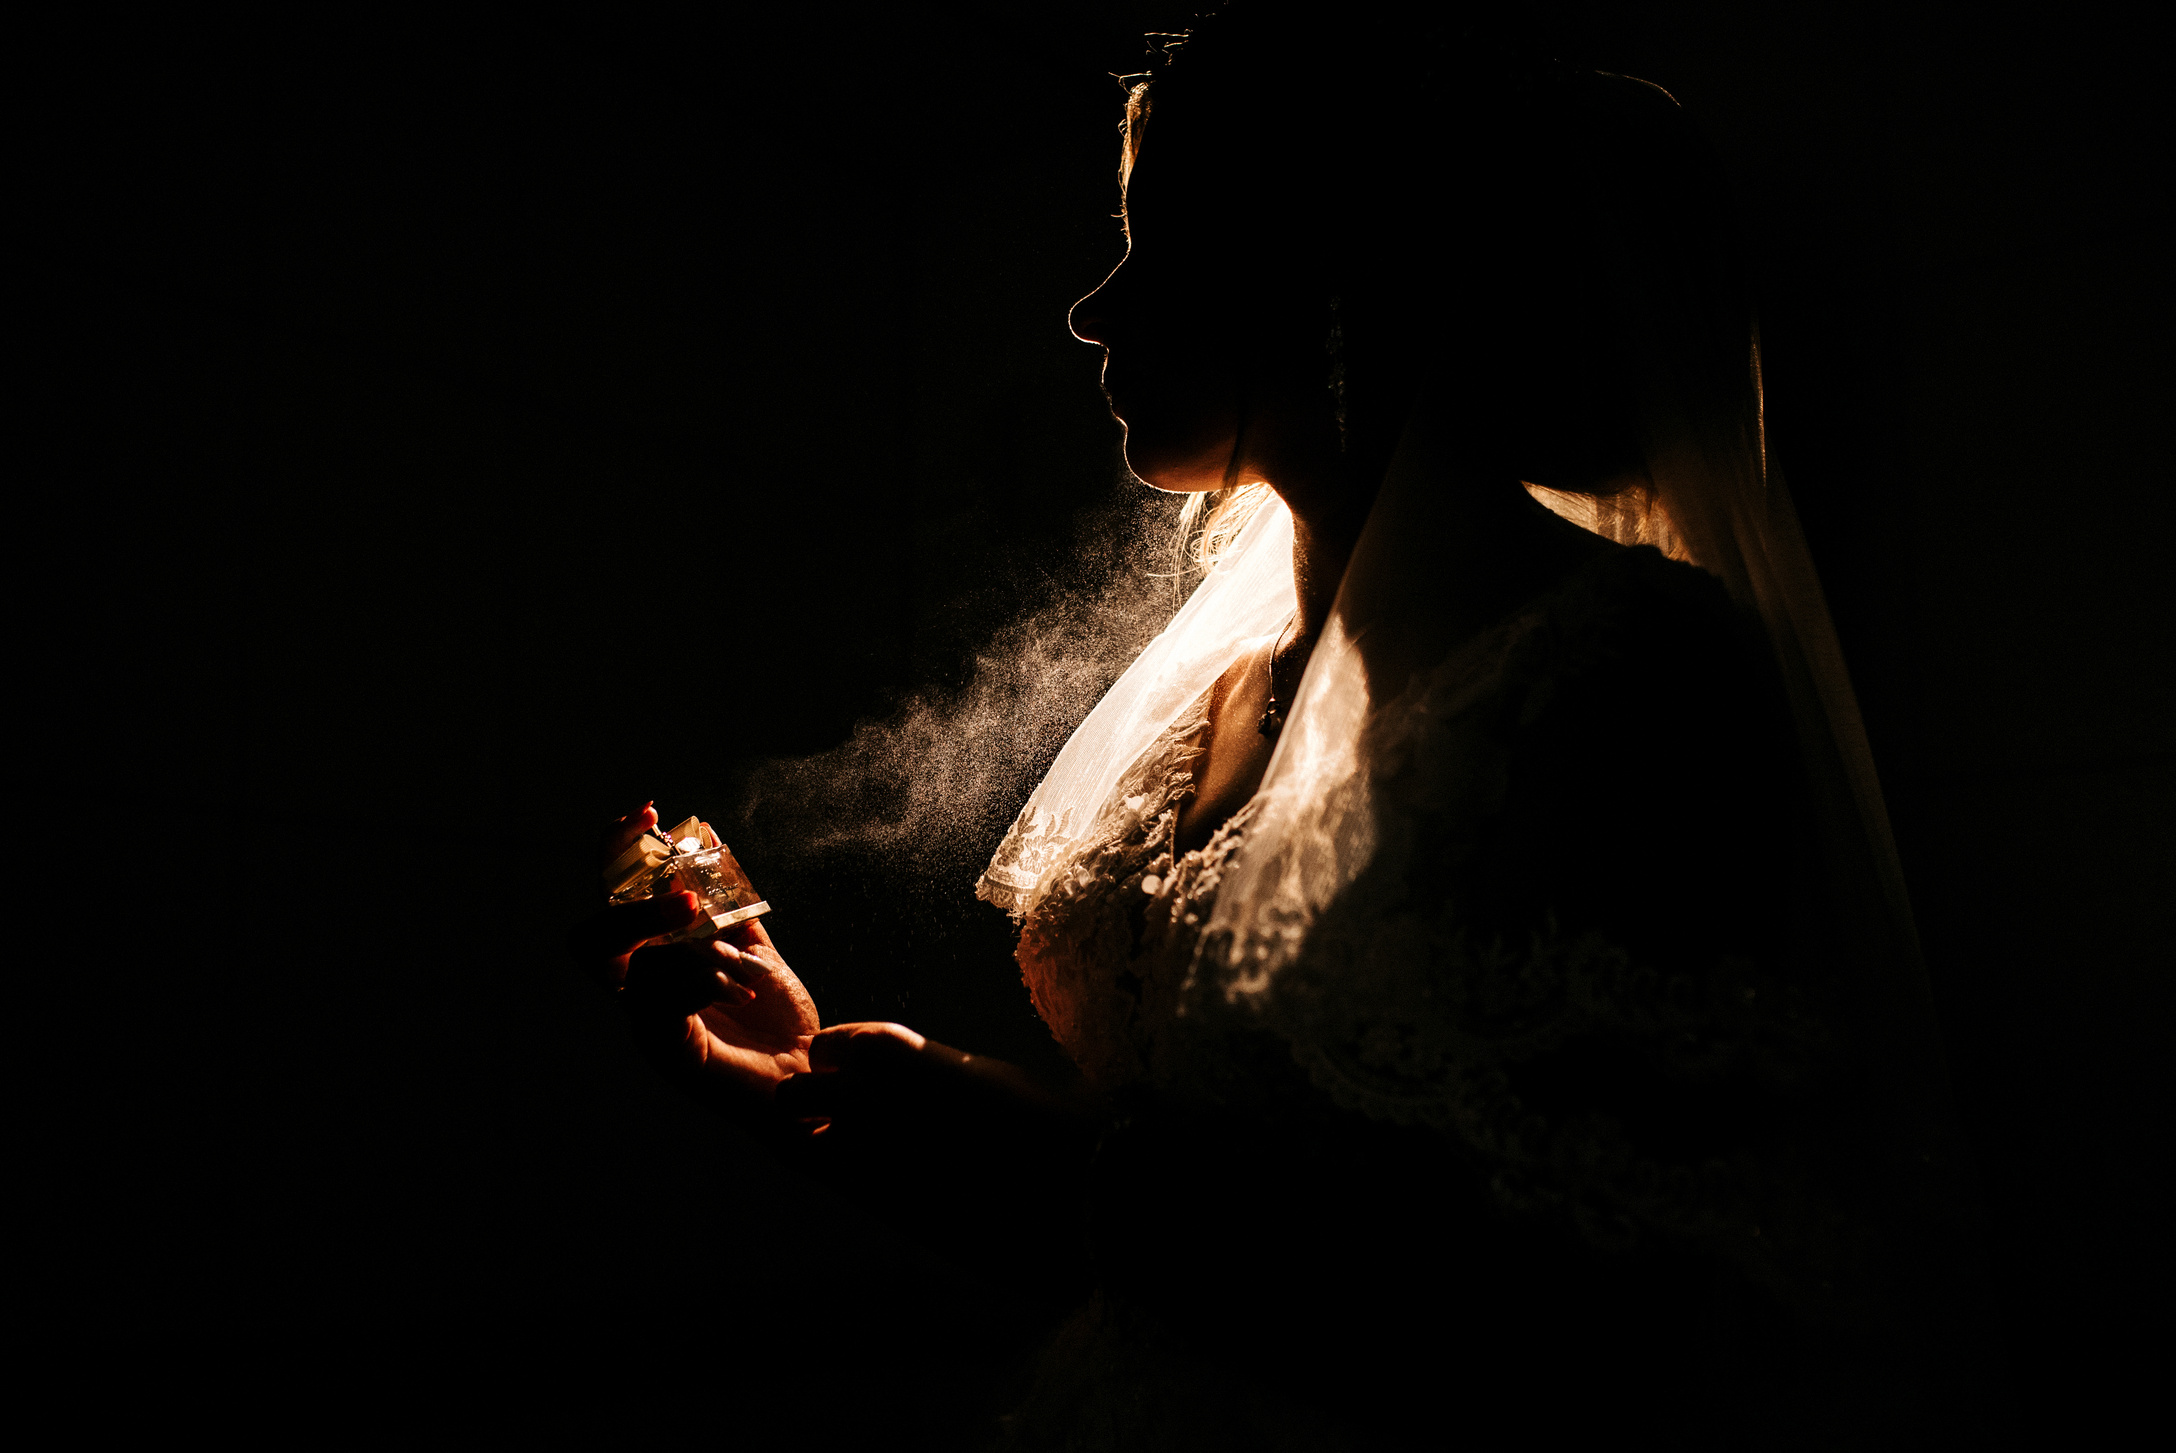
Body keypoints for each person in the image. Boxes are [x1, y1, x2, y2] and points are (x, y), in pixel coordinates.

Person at [571, 5, 1977, 1445]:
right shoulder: (1210, 690)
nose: (1092, 311)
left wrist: (1056, 1167)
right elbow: (1141, 1263)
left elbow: (1601, 1328)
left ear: (1338, 279)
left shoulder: (1625, 671)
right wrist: (827, 1105)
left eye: (1158, 244)